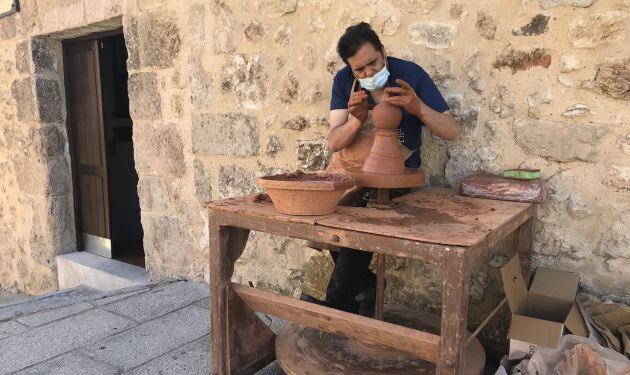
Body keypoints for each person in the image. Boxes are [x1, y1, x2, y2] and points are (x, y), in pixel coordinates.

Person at [301, 22, 460, 316]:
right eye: (360, 70)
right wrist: (357, 120)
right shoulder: (343, 82)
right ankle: (367, 288)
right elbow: (335, 141)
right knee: (324, 217)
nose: (369, 73)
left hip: (394, 177)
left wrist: (418, 108)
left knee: (355, 223)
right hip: (350, 171)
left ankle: (335, 307)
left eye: (373, 63)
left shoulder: (410, 75)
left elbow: (451, 130)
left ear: (383, 52)